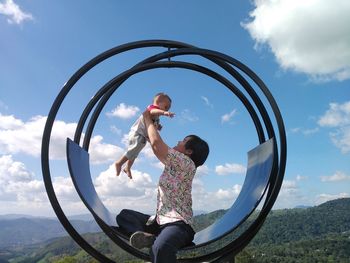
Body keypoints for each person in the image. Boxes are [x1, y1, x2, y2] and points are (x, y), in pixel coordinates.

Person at [116, 109, 209, 263]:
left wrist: (146, 117)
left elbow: (157, 145)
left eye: (183, 141)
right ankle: (148, 238)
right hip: (159, 222)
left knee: (161, 247)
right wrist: (150, 126)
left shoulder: (187, 163)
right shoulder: (176, 164)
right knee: (125, 215)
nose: (179, 141)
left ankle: (157, 241)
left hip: (179, 225)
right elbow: (155, 144)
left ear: (189, 151)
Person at [115, 93, 175, 179]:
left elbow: (153, 123)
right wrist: (164, 113)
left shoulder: (157, 116)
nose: (167, 109)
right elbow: (152, 112)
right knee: (134, 150)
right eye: (166, 107)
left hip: (142, 135)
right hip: (137, 133)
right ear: (158, 102)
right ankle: (119, 163)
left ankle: (127, 167)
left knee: (135, 152)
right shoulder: (152, 108)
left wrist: (158, 126)